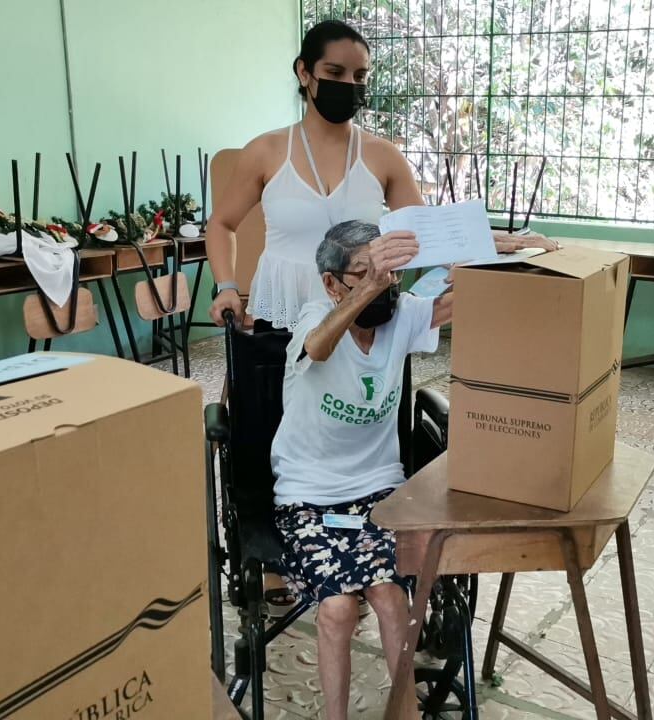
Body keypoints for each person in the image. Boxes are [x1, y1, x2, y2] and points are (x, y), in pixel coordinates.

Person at [205, 17, 555, 614]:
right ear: (304, 73)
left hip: (364, 312)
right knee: (268, 426)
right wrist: (227, 286)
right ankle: (277, 551)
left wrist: (504, 242)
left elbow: (430, 236)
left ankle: (359, 533)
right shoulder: (265, 152)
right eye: (335, 73)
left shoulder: (382, 156)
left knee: (352, 420)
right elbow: (222, 224)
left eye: (360, 76)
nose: (349, 85)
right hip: (284, 309)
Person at [270, 220, 449, 720]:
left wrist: (498, 249)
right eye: (366, 273)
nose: (384, 285)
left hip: (377, 492)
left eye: (391, 273)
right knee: (337, 608)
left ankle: (405, 714)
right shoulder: (315, 316)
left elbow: (465, 299)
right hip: (308, 496)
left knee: (391, 600)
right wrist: (369, 287)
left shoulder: (402, 315)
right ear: (332, 283)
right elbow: (318, 346)